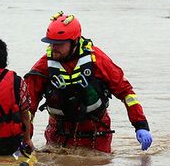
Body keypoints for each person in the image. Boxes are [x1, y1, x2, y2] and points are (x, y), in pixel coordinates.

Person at [24, 11, 153, 153]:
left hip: (96, 134)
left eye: (59, 44)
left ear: (74, 41)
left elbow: (126, 93)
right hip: (58, 134)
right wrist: (24, 139)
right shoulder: (43, 66)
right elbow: (27, 107)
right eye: (51, 43)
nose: (53, 47)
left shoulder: (97, 61)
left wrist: (141, 125)